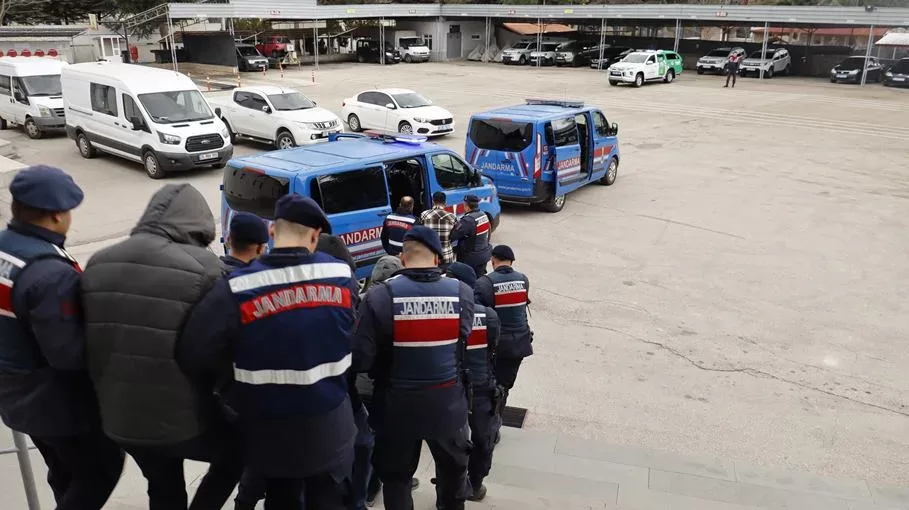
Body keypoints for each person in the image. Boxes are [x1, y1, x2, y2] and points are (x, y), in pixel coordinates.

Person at [178, 195, 358, 510]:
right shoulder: (342, 276)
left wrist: (235, 372)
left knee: (282, 499)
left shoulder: (237, 287)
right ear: (315, 236)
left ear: (272, 231)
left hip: (270, 435)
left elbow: (193, 353)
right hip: (330, 429)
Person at [81, 183, 243, 510]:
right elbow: (219, 349)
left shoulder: (98, 262)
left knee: (162, 483)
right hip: (185, 420)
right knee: (238, 454)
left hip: (120, 419)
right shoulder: (205, 268)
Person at [0, 166, 124, 510]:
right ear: (56, 215)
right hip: (54, 403)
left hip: (15, 393)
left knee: (63, 471)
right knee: (102, 468)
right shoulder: (50, 274)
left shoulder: (6, 249)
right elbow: (69, 356)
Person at [353, 226, 474, 510]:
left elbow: (361, 360)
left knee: (396, 480)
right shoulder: (462, 293)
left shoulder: (380, 296)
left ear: (403, 259)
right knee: (453, 474)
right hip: (448, 406)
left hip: (396, 408)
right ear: (436, 258)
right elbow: (462, 340)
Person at [444, 262, 501, 502]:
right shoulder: (489, 316)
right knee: (481, 439)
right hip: (480, 386)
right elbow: (494, 348)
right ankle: (475, 485)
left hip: (451, 387)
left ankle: (448, 489)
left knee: (449, 443)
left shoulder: (446, 311)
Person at [474, 245, 531, 409]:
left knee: (490, 387)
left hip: (496, 347)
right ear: (511, 261)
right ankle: (498, 413)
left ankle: (490, 423)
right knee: (505, 386)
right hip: (519, 345)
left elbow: (478, 317)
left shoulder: (484, 283)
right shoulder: (523, 280)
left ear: (493, 260)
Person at [450, 195, 491, 277]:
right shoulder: (483, 215)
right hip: (483, 254)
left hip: (470, 259)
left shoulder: (468, 220)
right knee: (479, 280)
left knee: (467, 281)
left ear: (466, 205)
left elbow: (453, 236)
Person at [419, 192, 457, 269]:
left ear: (433, 202)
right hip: (446, 257)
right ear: (445, 203)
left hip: (429, 256)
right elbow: (455, 235)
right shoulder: (452, 217)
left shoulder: (424, 215)